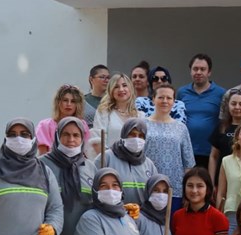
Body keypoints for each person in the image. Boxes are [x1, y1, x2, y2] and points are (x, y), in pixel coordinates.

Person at [144, 84, 195, 212]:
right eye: (161, 97)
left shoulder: (181, 128)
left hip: (174, 188)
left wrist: (187, 191)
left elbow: (188, 163)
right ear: (153, 99)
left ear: (174, 101)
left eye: (169, 98)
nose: (165, 101)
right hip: (148, 185)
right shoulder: (143, 125)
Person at [179, 54, 227, 170]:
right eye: (195, 69)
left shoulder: (221, 93)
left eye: (202, 69)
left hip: (211, 153)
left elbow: (225, 122)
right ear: (190, 71)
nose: (198, 72)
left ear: (209, 72)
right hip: (186, 151)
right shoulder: (181, 92)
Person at [91, 74, 140, 157]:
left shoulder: (139, 116)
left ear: (130, 88)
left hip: (133, 161)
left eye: (124, 85)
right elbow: (98, 142)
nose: (121, 89)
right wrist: (111, 161)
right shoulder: (104, 112)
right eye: (116, 87)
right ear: (111, 91)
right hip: (110, 161)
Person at [208, 88, 241, 182]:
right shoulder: (221, 127)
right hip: (222, 178)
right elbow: (213, 156)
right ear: (228, 106)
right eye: (233, 104)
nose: (237, 107)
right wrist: (211, 182)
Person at [36, 84, 87, 156]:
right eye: (65, 100)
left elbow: (86, 152)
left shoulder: (83, 125)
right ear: (58, 102)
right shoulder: (45, 125)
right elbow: (42, 156)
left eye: (73, 101)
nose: (69, 104)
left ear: (78, 105)